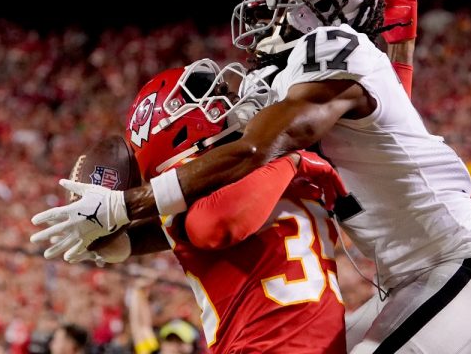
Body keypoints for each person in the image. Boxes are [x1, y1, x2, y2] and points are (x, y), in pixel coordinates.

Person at [33, 0, 471, 353]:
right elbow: (366, 149)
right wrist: (121, 240)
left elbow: (255, 151)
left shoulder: (330, 47)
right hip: (410, 277)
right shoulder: (298, 76)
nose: (261, 7)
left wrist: (128, 204)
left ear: (326, 8)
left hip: (461, 263)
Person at [34, 65, 349, 353]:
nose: (225, 95)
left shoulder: (238, 170)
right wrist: (290, 160)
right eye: (205, 93)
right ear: (172, 127)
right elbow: (219, 222)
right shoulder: (200, 188)